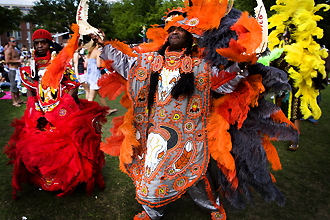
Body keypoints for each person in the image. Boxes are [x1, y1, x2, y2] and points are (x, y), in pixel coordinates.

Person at [90, 1, 299, 219]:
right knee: (152, 172)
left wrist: (241, 65)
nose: (175, 31)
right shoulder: (150, 62)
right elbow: (125, 64)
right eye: (172, 29)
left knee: (198, 176)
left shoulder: (199, 65)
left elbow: (224, 83)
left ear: (191, 36)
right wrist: (104, 44)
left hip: (189, 133)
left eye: (181, 29)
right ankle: (152, 211)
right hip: (155, 133)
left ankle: (213, 206)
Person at [4, 27, 108, 199]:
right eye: (36, 43)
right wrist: (34, 112)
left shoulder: (60, 64)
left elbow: (74, 86)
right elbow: (31, 93)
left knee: (66, 148)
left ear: (49, 44)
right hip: (39, 114)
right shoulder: (28, 69)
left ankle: (68, 180)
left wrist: (61, 108)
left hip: (62, 112)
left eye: (42, 42)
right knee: (40, 147)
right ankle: (47, 180)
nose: (39, 46)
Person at [85, 40, 117, 115]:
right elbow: (99, 65)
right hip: (95, 76)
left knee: (101, 95)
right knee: (91, 97)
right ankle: (86, 112)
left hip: (90, 75)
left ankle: (107, 110)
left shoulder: (89, 52)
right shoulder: (98, 52)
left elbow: (86, 64)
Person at [4, 37, 24, 107]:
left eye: (15, 41)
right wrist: (18, 61)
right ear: (9, 42)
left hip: (17, 69)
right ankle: (14, 101)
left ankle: (18, 99)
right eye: (13, 41)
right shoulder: (8, 51)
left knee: (17, 85)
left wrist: (21, 62)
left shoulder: (15, 50)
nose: (15, 42)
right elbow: (7, 61)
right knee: (13, 86)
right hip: (12, 70)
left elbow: (17, 59)